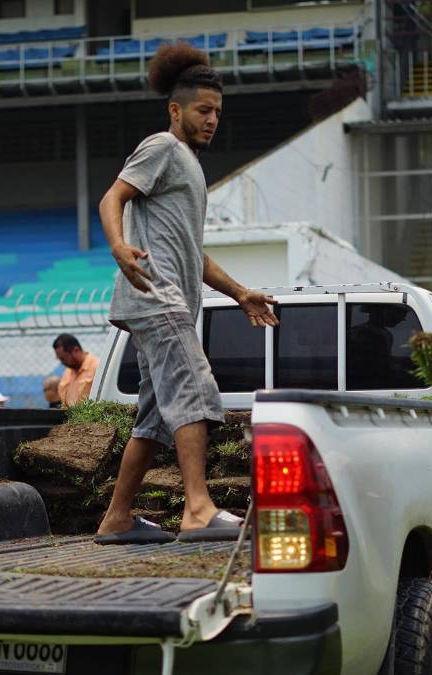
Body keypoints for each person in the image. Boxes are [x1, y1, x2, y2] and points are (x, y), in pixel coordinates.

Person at [93, 43, 277, 545]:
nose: (213, 119)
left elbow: (195, 253)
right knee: (195, 390)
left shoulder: (189, 165)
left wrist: (240, 294)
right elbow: (112, 196)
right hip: (158, 297)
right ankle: (197, 509)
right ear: (175, 111)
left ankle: (117, 518)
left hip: (167, 300)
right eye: (203, 109)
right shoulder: (162, 147)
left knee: (153, 417)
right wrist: (119, 246)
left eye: (217, 111)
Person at [54, 334, 99, 407]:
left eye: (63, 358)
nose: (62, 362)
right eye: (59, 359)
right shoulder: (67, 372)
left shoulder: (98, 368)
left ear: (76, 350)